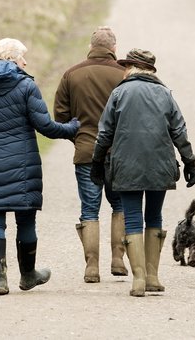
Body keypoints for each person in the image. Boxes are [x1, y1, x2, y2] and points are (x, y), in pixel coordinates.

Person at [0, 38, 80, 296]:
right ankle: (28, 275)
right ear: (11, 59)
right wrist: (72, 128)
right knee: (26, 218)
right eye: (22, 57)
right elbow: (45, 126)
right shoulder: (26, 86)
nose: (26, 62)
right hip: (22, 162)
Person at [91, 48, 195, 297]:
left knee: (132, 218)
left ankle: (138, 279)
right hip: (160, 166)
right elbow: (179, 131)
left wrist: (97, 161)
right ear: (150, 69)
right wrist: (189, 161)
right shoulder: (165, 94)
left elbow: (105, 132)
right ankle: (152, 276)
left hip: (126, 165)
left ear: (132, 67)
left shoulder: (119, 93)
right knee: (154, 216)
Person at [53, 26, 128, 283]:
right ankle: (118, 259)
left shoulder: (71, 74)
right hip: (118, 153)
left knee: (89, 210)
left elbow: (60, 117)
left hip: (86, 152)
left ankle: (92, 267)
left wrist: (78, 138)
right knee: (119, 205)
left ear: (90, 46)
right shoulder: (124, 74)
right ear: (113, 48)